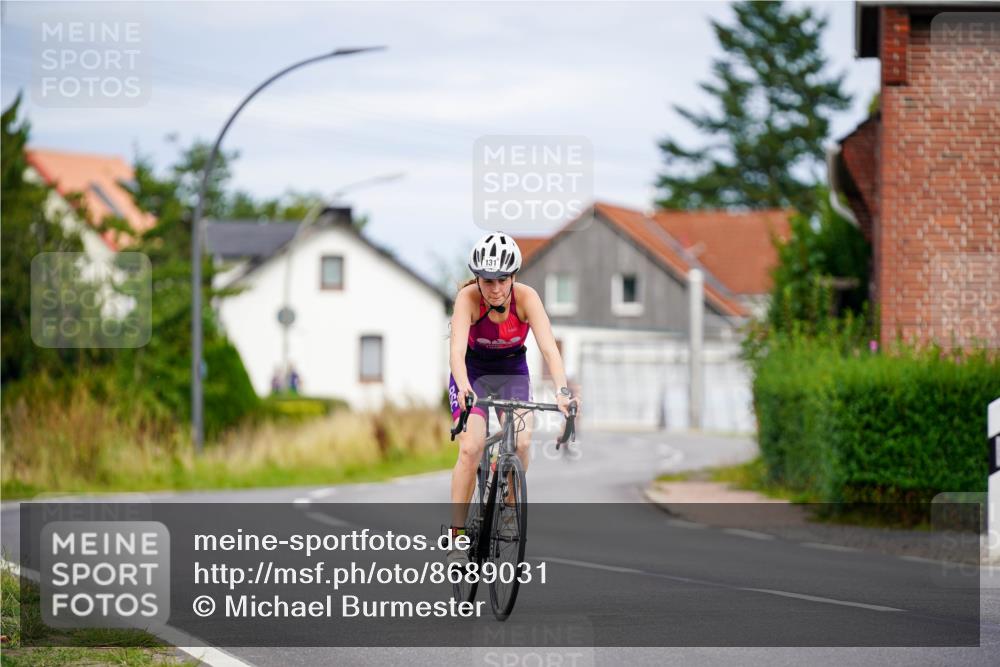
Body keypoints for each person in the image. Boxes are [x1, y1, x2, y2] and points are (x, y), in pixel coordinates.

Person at [447, 231, 578, 566]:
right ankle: (457, 536)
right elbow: (457, 353)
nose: (494, 289)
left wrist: (562, 391)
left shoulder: (527, 298)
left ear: (513, 277)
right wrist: (463, 387)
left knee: (521, 442)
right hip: (473, 373)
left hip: (512, 371)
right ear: (477, 278)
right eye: (487, 281)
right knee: (471, 447)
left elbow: (549, 348)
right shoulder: (467, 300)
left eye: (502, 280)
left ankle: (506, 506)